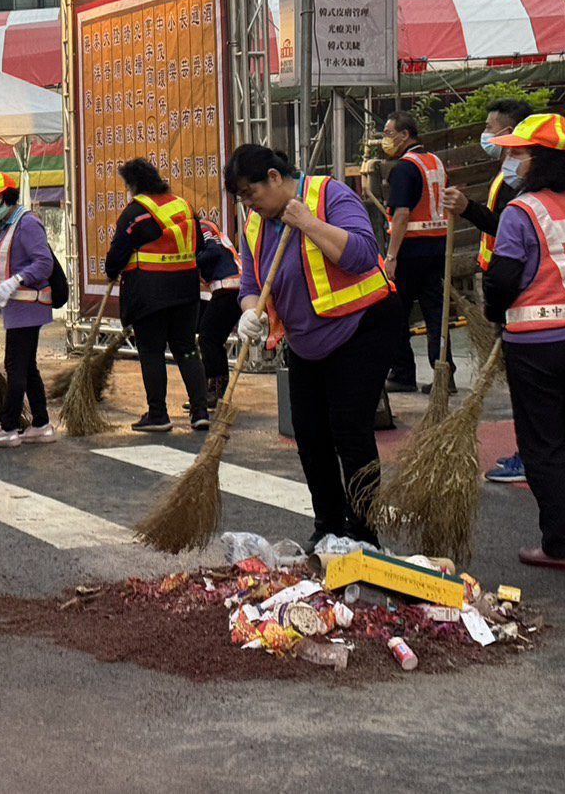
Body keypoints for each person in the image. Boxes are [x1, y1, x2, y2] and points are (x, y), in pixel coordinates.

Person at [228, 145, 400, 549]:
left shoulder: (330, 195)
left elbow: (361, 254)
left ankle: (363, 534)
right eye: (242, 199)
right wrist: (250, 312)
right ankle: (329, 526)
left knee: (350, 430)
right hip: (307, 340)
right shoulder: (256, 223)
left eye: (250, 193)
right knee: (309, 432)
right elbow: (252, 283)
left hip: (362, 327)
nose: (248, 205)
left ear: (274, 177)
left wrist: (308, 222)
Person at [483, 114, 565, 570]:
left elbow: (501, 278)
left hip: (537, 344)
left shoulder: (522, 212)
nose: (508, 159)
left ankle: (561, 545)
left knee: (541, 444)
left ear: (537, 159)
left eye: (516, 152)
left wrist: (493, 314)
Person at [444, 97, 535, 484]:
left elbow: (503, 228)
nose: (486, 135)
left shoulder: (524, 182)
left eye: (491, 128)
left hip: (515, 288)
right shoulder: (510, 174)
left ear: (512, 133)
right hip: (502, 280)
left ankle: (531, 454)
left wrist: (467, 208)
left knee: (527, 381)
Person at [103, 157, 212, 432]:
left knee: (151, 351)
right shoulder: (183, 206)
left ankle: (158, 414)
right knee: (187, 348)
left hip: (149, 293)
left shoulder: (136, 212)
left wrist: (113, 270)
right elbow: (198, 243)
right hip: (187, 290)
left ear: (134, 184)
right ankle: (200, 411)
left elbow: (117, 254)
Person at [0, 172, 56, 447]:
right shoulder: (4, 227)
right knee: (27, 367)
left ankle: (8, 427)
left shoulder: (27, 224)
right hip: (16, 308)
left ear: (8, 196)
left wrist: (16, 281)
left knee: (15, 367)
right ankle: (42, 423)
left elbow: (44, 263)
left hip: (29, 306)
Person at [380, 110, 452, 394]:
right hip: (438, 248)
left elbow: (401, 215)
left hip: (410, 252)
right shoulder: (435, 162)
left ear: (405, 135)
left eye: (388, 133)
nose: (385, 140)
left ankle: (402, 373)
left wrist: (391, 256)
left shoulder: (404, 168)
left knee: (396, 313)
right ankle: (445, 376)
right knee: (437, 315)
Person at [195, 217, 242, 410]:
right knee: (213, 339)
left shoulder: (202, 227)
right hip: (227, 288)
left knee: (207, 338)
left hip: (229, 287)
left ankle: (213, 390)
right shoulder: (204, 228)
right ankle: (217, 389)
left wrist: (188, 261)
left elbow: (213, 251)